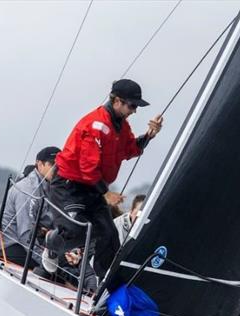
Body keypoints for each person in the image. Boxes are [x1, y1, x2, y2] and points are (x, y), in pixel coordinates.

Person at [42, 79, 163, 277]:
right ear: (117, 101)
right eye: (132, 105)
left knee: (108, 234)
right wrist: (106, 195)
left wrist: (149, 135)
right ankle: (51, 244)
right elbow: (87, 167)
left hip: (91, 188)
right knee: (76, 230)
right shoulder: (96, 125)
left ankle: (104, 281)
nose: (134, 111)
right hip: (69, 187)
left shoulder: (121, 127)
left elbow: (130, 149)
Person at [0, 146, 60, 265]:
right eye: (52, 164)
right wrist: (46, 261)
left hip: (31, 244)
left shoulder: (50, 187)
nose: (57, 169)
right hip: (11, 246)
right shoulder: (29, 189)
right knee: (57, 272)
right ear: (39, 164)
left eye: (60, 166)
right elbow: (25, 234)